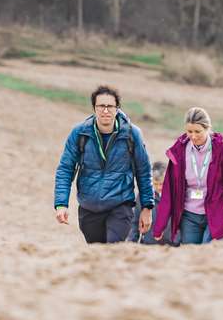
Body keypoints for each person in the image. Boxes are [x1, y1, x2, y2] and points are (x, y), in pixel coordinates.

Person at [54, 85, 155, 243]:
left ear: (117, 108)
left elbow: (144, 172)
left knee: (113, 249)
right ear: (94, 108)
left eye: (110, 106)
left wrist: (147, 208)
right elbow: (65, 169)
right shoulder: (79, 133)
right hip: (89, 207)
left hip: (121, 205)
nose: (105, 110)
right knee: (97, 254)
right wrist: (61, 204)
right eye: (101, 106)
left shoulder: (132, 134)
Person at [153, 107, 223, 245]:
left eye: (198, 131)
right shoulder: (179, 150)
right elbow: (168, 190)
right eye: (189, 131)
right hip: (189, 216)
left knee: (209, 254)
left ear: (208, 129)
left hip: (216, 215)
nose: (193, 136)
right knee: (190, 257)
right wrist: (159, 226)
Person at [129, 161, 170, 244]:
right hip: (150, 245)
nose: (159, 187)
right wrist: (132, 241)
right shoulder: (143, 196)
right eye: (155, 184)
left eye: (162, 184)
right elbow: (135, 221)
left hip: (173, 245)